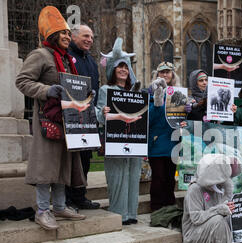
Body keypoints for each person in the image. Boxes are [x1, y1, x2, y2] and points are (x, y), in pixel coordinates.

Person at [15, 6, 86, 230]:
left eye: (68, 32)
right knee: (46, 167)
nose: (67, 36)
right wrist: (47, 90)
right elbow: (22, 81)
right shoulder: (40, 55)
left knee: (62, 164)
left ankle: (60, 205)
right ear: (53, 35)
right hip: (48, 120)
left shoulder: (67, 59)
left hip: (68, 120)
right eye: (63, 33)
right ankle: (43, 210)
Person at [95, 37, 142, 225]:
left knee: (133, 175)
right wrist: (103, 112)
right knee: (117, 177)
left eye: (125, 66)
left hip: (135, 141)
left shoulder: (136, 91)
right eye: (119, 66)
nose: (123, 69)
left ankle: (131, 214)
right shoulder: (106, 89)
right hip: (115, 141)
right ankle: (118, 213)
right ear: (113, 70)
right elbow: (98, 113)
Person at [66, 23, 100, 210]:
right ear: (74, 36)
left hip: (88, 118)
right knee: (72, 160)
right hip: (71, 117)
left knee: (85, 158)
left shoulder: (91, 61)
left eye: (91, 38)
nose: (89, 40)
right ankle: (67, 198)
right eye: (86, 36)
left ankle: (80, 196)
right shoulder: (67, 57)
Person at [146, 61, 182, 212]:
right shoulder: (150, 93)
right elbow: (148, 119)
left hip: (173, 141)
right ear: (157, 74)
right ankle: (156, 208)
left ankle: (170, 206)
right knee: (158, 177)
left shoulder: (179, 93)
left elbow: (181, 119)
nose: (165, 74)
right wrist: (156, 103)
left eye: (168, 72)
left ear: (173, 74)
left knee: (169, 178)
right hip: (157, 142)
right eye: (162, 72)